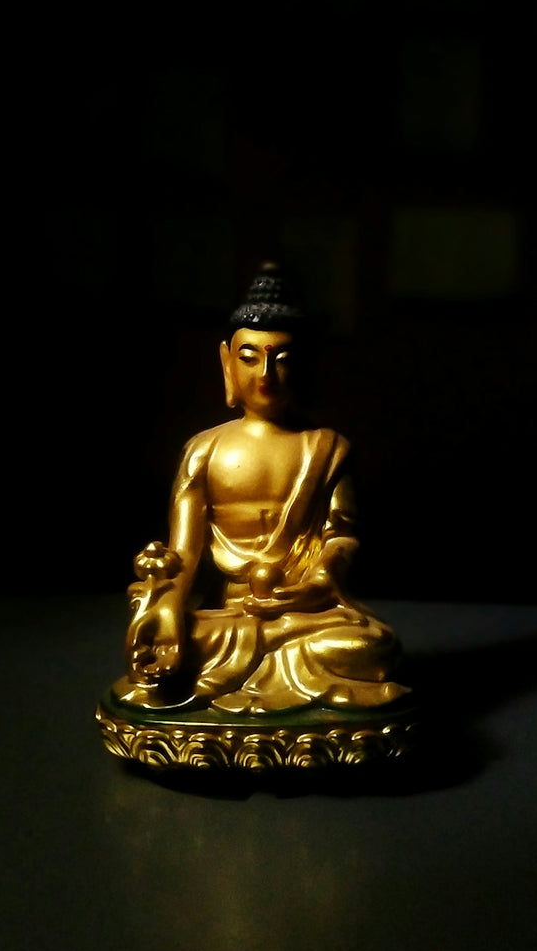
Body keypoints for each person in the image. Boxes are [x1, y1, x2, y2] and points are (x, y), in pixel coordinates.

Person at [112, 264, 408, 717]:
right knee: (170, 635)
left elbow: (341, 534)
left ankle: (267, 646)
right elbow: (185, 552)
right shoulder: (204, 449)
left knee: (375, 645)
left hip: (308, 610)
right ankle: (264, 647)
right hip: (226, 612)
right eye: (249, 356)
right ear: (227, 362)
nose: (266, 372)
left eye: (283, 358)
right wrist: (168, 604)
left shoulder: (327, 448)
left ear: (304, 366)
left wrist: (322, 579)